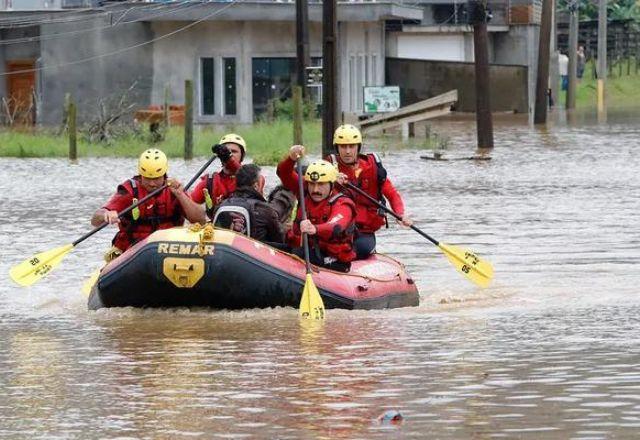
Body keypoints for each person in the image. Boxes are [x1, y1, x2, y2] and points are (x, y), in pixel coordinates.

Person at [280, 125, 411, 259]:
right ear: (337, 148)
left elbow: (392, 194)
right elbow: (287, 176)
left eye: (351, 146)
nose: (347, 151)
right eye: (343, 146)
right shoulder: (327, 167)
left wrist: (400, 214)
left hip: (362, 231)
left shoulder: (373, 168)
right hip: (329, 230)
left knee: (362, 248)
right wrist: (291, 158)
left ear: (358, 147)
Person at [91, 148, 206, 261]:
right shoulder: (129, 191)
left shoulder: (174, 190)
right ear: (140, 175)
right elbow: (95, 220)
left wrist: (180, 195)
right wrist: (106, 214)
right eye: (147, 178)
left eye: (156, 178)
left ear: (164, 174)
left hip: (168, 251)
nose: (152, 183)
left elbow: (200, 219)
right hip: (133, 252)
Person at [277, 158, 356, 272]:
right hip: (304, 249)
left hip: (333, 259)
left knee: (299, 253)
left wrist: (315, 229)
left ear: (332, 185)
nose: (315, 189)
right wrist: (291, 158)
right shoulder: (303, 190)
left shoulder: (343, 203)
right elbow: (283, 173)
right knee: (268, 246)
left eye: (321, 184)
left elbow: (336, 226)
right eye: (312, 184)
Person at [213, 164, 285, 244]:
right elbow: (279, 240)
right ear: (256, 185)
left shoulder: (221, 206)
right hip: (254, 254)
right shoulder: (265, 210)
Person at [190, 133, 245, 220]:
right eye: (226, 151)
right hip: (218, 230)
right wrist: (178, 193)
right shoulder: (209, 181)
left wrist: (229, 158)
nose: (229, 154)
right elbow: (189, 204)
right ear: (219, 155)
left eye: (234, 152)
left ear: (242, 156)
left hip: (243, 228)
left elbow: (256, 180)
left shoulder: (252, 178)